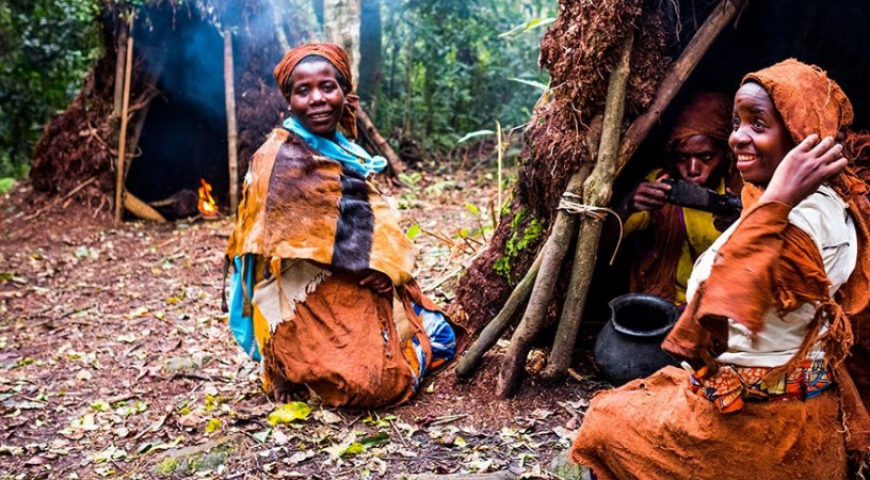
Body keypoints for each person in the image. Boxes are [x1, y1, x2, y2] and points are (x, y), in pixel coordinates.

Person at [571, 59, 870, 479]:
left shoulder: (799, 222)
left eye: (758, 124)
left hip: (764, 429)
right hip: (785, 408)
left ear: (802, 137)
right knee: (636, 399)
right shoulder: (791, 204)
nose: (738, 138)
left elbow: (725, 296)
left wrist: (780, 195)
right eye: (736, 122)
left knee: (603, 423)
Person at [225, 43, 465, 408]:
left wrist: (385, 269)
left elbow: (369, 229)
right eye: (303, 91)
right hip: (298, 299)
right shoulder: (276, 160)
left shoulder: (343, 150)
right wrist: (358, 265)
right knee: (375, 385)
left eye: (327, 87)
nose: (317, 98)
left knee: (440, 337)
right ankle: (287, 364)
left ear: (344, 93)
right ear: (289, 101)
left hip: (357, 286)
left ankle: (326, 359)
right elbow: (263, 257)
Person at [614, 92, 740, 305]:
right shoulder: (659, 187)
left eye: (706, 157)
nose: (692, 169)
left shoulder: (742, 189)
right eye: (682, 157)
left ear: (726, 153)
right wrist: (627, 206)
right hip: (666, 306)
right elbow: (599, 248)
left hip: (724, 308)